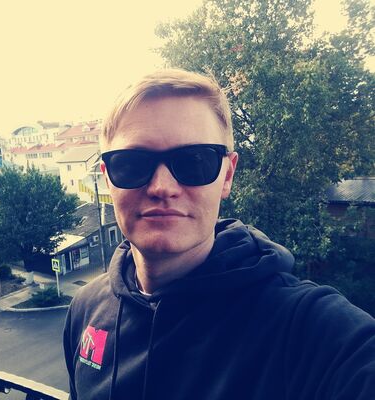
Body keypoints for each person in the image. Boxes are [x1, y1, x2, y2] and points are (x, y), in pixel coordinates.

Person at [62, 69, 375, 400]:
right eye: (132, 164)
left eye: (194, 161)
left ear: (227, 175)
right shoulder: (86, 309)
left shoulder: (310, 331)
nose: (162, 187)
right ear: (108, 179)